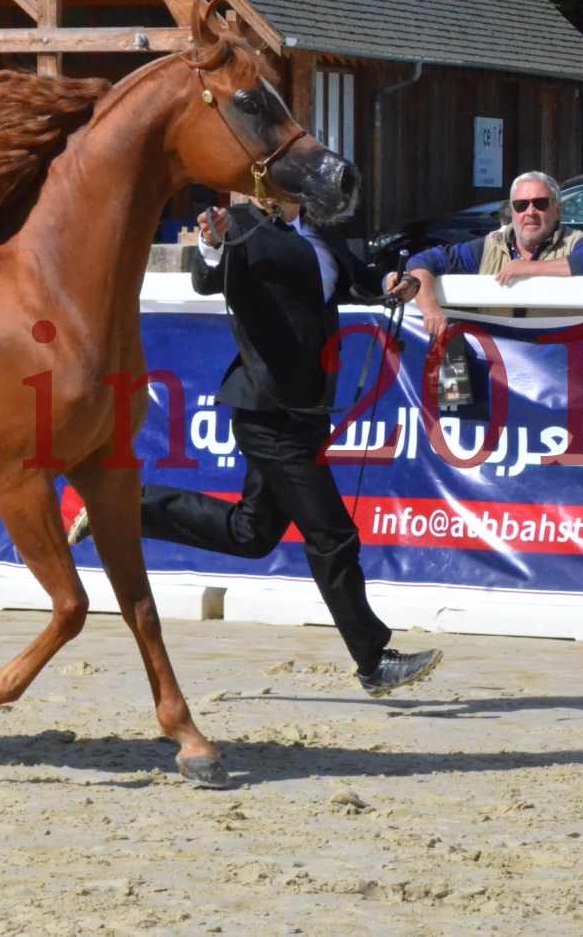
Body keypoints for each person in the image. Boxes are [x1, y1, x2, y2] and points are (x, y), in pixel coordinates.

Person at [65, 197, 444, 698]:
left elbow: (356, 278)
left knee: (252, 534)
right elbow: (206, 277)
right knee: (332, 534)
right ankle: (373, 660)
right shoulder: (242, 225)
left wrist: (392, 285)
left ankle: (124, 507)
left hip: (307, 410)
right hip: (266, 412)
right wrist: (212, 242)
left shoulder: (318, 229)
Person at [400, 171, 583, 339]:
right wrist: (431, 310)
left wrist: (528, 268)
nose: (530, 212)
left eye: (540, 203)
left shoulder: (576, 241)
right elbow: (423, 261)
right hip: (502, 370)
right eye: (521, 205)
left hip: (559, 371)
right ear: (512, 211)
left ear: (557, 209)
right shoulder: (488, 246)